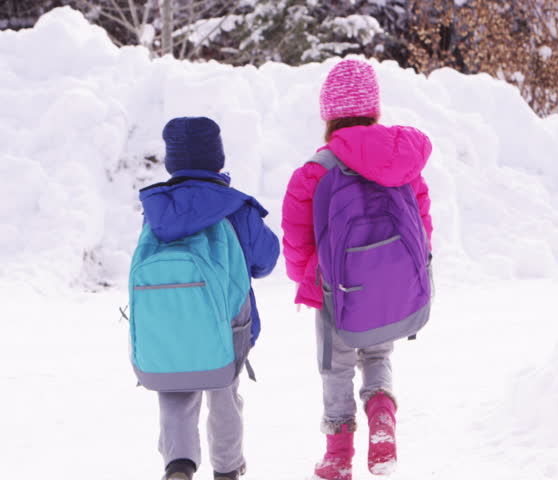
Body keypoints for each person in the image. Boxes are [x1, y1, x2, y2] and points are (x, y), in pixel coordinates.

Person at [280, 59, 433, 480]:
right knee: (379, 351)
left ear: (329, 115)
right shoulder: (403, 162)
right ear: (374, 110)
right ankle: (382, 412)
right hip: (390, 286)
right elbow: (422, 222)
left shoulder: (316, 170)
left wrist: (305, 281)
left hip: (336, 290)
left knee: (336, 364)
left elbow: (296, 237)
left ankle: (339, 452)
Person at [139, 116, 280, 480]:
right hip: (227, 324)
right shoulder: (236, 207)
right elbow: (266, 259)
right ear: (218, 161)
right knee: (224, 395)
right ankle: (227, 469)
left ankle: (179, 465)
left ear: (172, 164)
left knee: (175, 393)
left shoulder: (157, 209)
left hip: (169, 324)